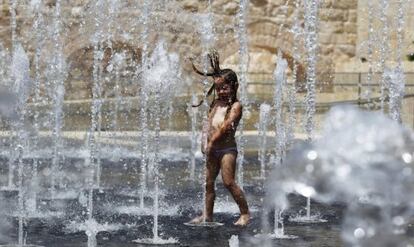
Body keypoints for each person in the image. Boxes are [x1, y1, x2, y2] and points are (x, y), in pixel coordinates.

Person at [188, 50, 250, 226]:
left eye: (225, 87)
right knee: (208, 183)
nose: (221, 91)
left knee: (228, 182)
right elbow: (208, 123)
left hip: (226, 150)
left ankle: (245, 213)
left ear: (234, 86)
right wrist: (204, 140)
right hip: (212, 148)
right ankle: (207, 216)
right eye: (218, 88)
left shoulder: (236, 106)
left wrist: (212, 142)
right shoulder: (215, 103)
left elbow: (225, 127)